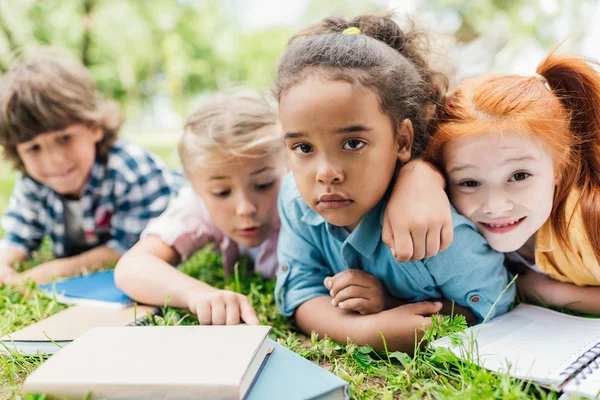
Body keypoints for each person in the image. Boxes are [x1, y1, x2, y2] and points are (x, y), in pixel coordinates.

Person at [274, 14, 515, 353]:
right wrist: (367, 330)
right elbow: (299, 291)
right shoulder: (296, 201)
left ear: (402, 141)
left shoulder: (439, 233)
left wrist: (391, 304)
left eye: (353, 143)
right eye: (303, 148)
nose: (325, 172)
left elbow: (494, 306)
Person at [423, 51, 600, 315]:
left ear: (560, 167)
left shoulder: (587, 221)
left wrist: (543, 290)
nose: (496, 206)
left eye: (519, 176)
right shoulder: (457, 225)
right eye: (470, 182)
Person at [0, 53, 181, 286]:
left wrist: (53, 271)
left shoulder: (129, 169)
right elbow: (19, 235)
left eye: (65, 138)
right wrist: (5, 262)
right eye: (33, 148)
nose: (54, 160)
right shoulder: (34, 181)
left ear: (94, 127)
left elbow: (130, 250)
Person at [115, 90, 287, 325]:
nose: (245, 208)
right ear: (195, 187)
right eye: (221, 192)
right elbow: (132, 267)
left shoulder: (307, 202)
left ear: (290, 167)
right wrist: (196, 293)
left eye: (264, 184)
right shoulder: (196, 205)